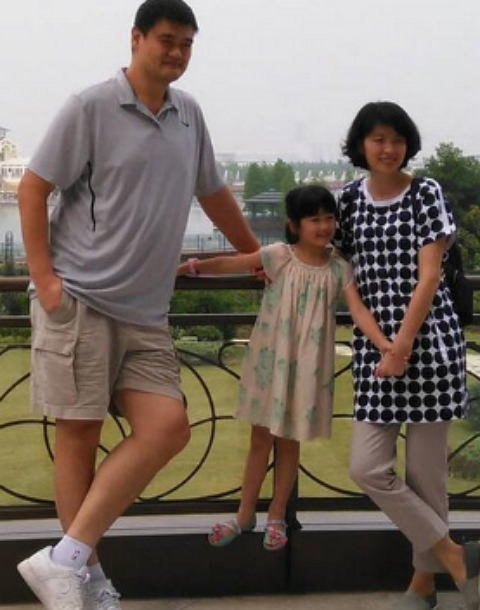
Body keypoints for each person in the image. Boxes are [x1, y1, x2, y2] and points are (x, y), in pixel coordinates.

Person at [16, 1, 260, 608]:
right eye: (167, 40)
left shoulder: (188, 114)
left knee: (169, 427)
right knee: (79, 436)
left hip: (146, 312)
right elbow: (34, 185)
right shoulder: (90, 107)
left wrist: (258, 256)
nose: (176, 53)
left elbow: (214, 191)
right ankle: (85, 583)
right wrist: (45, 279)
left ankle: (64, 561)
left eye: (186, 44)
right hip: (82, 299)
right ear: (137, 39)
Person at [178, 184, 392, 551]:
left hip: (308, 367)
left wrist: (387, 345)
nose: (323, 226)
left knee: (289, 442)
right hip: (270, 361)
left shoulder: (339, 268)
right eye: (314, 219)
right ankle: (245, 515)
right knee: (259, 439)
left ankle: (276, 515)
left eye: (329, 217)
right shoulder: (279, 255)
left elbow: (358, 310)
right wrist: (192, 267)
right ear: (294, 225)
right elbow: (235, 262)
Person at [336, 100, 479, 610]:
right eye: (377, 139)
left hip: (430, 349)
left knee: (426, 479)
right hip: (377, 352)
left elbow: (431, 276)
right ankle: (456, 557)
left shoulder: (426, 193)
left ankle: (422, 588)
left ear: (407, 143)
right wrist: (382, 344)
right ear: (360, 144)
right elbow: (347, 281)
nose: (387, 148)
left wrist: (403, 346)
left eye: (396, 139)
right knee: (368, 467)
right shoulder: (349, 200)